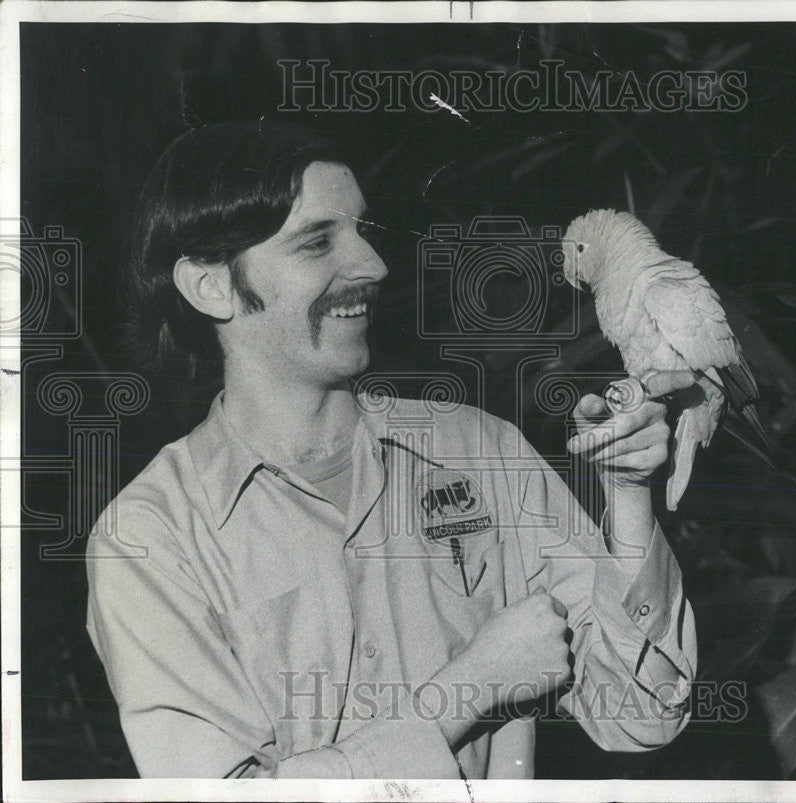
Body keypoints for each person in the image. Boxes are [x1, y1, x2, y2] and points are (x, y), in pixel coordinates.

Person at [86, 120, 697, 779]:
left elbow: (643, 711)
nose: (373, 266)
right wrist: (470, 686)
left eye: (363, 232)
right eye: (318, 241)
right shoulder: (148, 536)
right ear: (211, 286)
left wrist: (629, 493)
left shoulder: (479, 450)